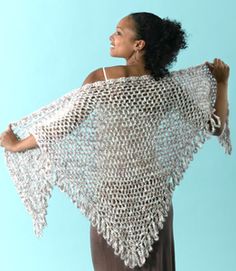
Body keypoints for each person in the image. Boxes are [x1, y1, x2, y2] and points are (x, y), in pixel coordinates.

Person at [0, 12, 230, 271]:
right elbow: (215, 127)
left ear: (138, 44)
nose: (111, 37)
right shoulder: (168, 87)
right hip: (153, 194)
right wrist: (222, 84)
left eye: (119, 32)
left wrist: (16, 145)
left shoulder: (102, 79)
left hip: (113, 196)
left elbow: (61, 126)